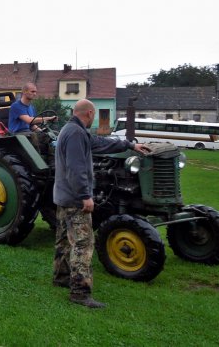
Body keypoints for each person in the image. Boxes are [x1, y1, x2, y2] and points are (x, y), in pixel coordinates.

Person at [53, 99, 150, 309]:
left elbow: (100, 143)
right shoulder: (76, 134)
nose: (93, 119)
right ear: (89, 113)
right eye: (93, 115)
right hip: (74, 199)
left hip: (63, 197)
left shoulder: (71, 130)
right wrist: (85, 196)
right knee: (83, 243)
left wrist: (131, 145)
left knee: (63, 240)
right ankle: (80, 292)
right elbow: (76, 169)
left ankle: (61, 277)